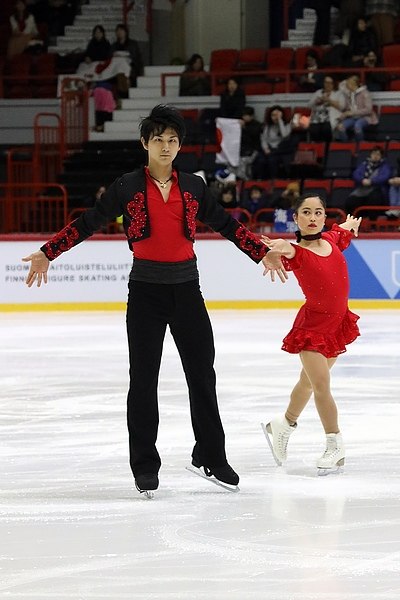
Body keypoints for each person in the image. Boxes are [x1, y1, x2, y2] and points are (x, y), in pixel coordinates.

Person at [21, 104, 284, 496]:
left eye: (173, 140)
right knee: (143, 380)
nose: (166, 146)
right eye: (158, 139)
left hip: (187, 291)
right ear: (145, 143)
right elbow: (89, 222)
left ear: (180, 147)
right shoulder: (127, 186)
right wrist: (48, 251)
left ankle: (211, 456)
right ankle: (144, 464)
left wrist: (260, 251)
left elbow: (227, 224)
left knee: (202, 374)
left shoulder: (194, 185)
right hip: (145, 292)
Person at [260, 195, 362, 474]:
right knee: (320, 387)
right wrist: (274, 251)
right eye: (306, 212)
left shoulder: (332, 239)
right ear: (296, 218)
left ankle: (283, 424)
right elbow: (283, 249)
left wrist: (349, 225)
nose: (313, 217)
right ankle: (335, 444)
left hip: (337, 324)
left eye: (318, 212)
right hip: (312, 329)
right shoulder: (297, 252)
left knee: (306, 383)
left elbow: (342, 230)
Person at [346, 145, 392, 217]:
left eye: (378, 154)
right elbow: (356, 174)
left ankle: (372, 223)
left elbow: (384, 177)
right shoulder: (364, 164)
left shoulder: (385, 166)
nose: (375, 156)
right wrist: (362, 180)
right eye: (374, 154)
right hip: (362, 188)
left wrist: (371, 181)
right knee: (351, 201)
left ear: (381, 156)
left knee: (374, 199)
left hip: (377, 189)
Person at [254, 105, 297, 179]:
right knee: (260, 160)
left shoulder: (287, 125)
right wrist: (266, 148)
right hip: (269, 149)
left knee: (272, 160)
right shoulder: (267, 126)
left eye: (277, 115)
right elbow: (264, 139)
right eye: (273, 115)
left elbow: (284, 135)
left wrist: (280, 120)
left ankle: (274, 180)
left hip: (281, 150)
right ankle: (260, 180)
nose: (275, 117)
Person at [334, 74, 378, 141]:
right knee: (340, 127)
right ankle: (346, 145)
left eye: (348, 83)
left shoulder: (365, 93)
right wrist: (343, 115)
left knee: (357, 126)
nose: (346, 85)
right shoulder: (348, 94)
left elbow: (368, 110)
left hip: (365, 117)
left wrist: (352, 113)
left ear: (353, 84)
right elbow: (346, 108)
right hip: (352, 118)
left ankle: (360, 145)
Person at [308, 76, 346, 143]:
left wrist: (329, 101)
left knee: (326, 128)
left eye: (330, 83)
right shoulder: (318, 92)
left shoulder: (339, 93)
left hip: (331, 117)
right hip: (317, 118)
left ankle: (327, 148)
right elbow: (309, 105)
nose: (327, 85)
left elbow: (342, 107)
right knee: (314, 129)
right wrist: (317, 102)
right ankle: (317, 148)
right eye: (326, 82)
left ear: (333, 84)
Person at [111, 23, 144, 91]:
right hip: (117, 68)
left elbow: (137, 58)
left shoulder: (133, 44)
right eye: (118, 31)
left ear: (126, 32)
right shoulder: (114, 46)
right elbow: (109, 57)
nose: (119, 32)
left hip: (131, 67)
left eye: (121, 30)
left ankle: (126, 88)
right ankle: (123, 91)